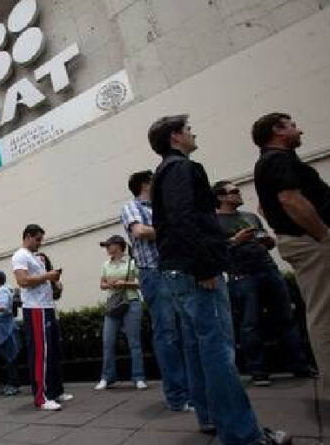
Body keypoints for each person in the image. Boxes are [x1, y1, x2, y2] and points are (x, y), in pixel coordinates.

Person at [149, 114, 290, 444]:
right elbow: (186, 219)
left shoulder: (163, 174)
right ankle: (244, 435)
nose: (193, 133)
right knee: (218, 354)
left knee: (200, 350)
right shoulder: (183, 168)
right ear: (175, 137)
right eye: (187, 130)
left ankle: (212, 417)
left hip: (177, 271)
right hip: (195, 272)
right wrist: (206, 267)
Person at [252, 112, 330, 399]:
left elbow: (265, 207)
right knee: (325, 315)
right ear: (278, 131)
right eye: (293, 125)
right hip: (311, 242)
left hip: (305, 240)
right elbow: (289, 199)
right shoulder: (276, 159)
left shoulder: (272, 162)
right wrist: (323, 235)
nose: (300, 130)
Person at [214, 180, 314, 386]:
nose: (239, 194)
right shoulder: (214, 222)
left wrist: (268, 242)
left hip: (268, 270)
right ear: (221, 197)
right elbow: (215, 253)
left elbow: (267, 240)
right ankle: (258, 372)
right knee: (250, 325)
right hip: (241, 276)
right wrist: (235, 241)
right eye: (234, 191)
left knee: (287, 319)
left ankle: (300, 366)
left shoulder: (250, 217)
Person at [121, 170, 189, 409]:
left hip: (175, 271)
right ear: (145, 184)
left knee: (184, 331)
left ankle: (192, 391)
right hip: (153, 273)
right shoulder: (132, 206)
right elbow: (140, 231)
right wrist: (173, 229)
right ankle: (178, 396)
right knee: (167, 332)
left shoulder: (163, 207)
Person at [12, 224, 72, 411]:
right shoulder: (20, 255)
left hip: (46, 307)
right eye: (37, 239)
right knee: (41, 354)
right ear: (28, 237)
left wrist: (52, 281)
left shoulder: (34, 257)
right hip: (35, 309)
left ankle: (55, 391)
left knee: (52, 351)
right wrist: (48, 276)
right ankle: (42, 397)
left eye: (40, 240)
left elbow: (38, 282)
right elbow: (22, 281)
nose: (39, 243)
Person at [95, 235, 147, 390]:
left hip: (131, 302)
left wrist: (125, 283)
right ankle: (106, 377)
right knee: (108, 341)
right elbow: (102, 284)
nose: (107, 248)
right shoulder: (106, 264)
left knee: (134, 341)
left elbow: (141, 283)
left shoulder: (132, 262)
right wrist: (109, 284)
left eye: (108, 245)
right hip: (113, 304)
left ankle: (138, 377)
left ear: (118, 246)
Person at [0, 270, 20, 396]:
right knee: (8, 357)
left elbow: (4, 307)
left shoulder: (2, 291)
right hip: (2, 327)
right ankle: (12, 383)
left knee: (10, 357)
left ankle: (13, 384)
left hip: (6, 328)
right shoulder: (1, 291)